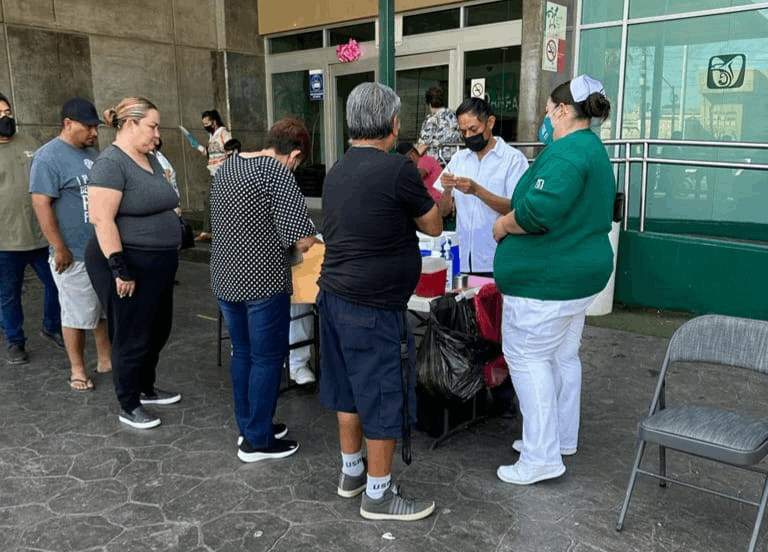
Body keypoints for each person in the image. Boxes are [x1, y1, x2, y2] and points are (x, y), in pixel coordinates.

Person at [318, 82, 441, 521]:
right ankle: (379, 493)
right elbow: (431, 224)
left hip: (333, 298)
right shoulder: (398, 170)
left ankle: (352, 473)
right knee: (384, 395)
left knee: (348, 391)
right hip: (373, 309)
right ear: (392, 124)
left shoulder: (337, 169)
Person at [491, 75, 615, 485]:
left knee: (528, 359)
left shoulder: (565, 154)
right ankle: (557, 438)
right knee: (562, 357)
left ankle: (542, 456)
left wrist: (504, 225)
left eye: (547, 110)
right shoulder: (591, 149)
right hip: (575, 279)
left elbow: (537, 212)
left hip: (547, 283)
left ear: (563, 111)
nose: (544, 118)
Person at [210, 118, 318, 463]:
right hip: (262, 281)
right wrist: (312, 240)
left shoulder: (229, 166)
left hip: (226, 277)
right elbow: (301, 239)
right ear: (296, 154)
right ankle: (258, 441)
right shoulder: (276, 172)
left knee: (242, 352)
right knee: (268, 358)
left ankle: (251, 425)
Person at [85, 97, 182, 429]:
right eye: (152, 126)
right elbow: (101, 219)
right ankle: (128, 403)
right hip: (127, 262)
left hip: (159, 263)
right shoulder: (110, 163)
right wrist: (119, 267)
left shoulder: (150, 159)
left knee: (158, 329)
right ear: (130, 124)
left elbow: (163, 200)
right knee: (131, 334)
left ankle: (145, 388)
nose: (157, 134)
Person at [29, 98, 112, 390]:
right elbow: (41, 203)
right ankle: (77, 370)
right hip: (72, 254)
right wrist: (59, 248)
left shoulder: (91, 152)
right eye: (88, 126)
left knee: (101, 309)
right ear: (68, 124)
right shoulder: (48, 156)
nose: (94, 132)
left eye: (96, 127)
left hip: (101, 249)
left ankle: (105, 358)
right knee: (76, 313)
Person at [0, 92, 63, 365]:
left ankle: (51, 326)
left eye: (7, 110)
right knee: (9, 295)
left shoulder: (31, 144)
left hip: (41, 235)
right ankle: (15, 341)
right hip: (5, 242)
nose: (6, 117)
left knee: (57, 285)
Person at [439, 97, 528, 276]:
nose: (469, 137)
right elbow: (443, 211)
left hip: (496, 259)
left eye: (474, 129)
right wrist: (447, 190)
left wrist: (478, 191)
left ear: (490, 123)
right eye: (463, 132)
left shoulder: (513, 160)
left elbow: (518, 209)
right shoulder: (458, 159)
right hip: (461, 260)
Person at [195, 110, 232, 240]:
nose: (205, 126)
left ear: (214, 122)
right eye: (203, 124)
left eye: (207, 123)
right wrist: (202, 149)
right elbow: (212, 154)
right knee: (212, 201)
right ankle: (210, 231)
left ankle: (211, 231)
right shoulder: (211, 136)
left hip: (223, 172)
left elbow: (231, 149)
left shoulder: (223, 133)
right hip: (213, 172)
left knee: (214, 201)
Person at [416, 86, 461, 166]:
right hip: (456, 161)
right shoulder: (455, 116)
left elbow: (423, 145)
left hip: (437, 164)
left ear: (429, 104)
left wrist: (412, 158)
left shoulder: (432, 119)